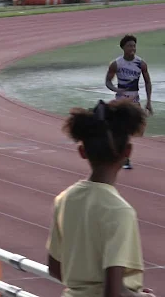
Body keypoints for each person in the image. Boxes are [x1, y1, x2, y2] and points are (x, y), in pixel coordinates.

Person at [46, 99, 155, 297]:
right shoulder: (119, 211)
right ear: (127, 152)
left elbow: (55, 268)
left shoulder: (64, 199)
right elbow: (113, 292)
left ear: (82, 152)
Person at [105, 34, 153, 170]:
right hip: (121, 102)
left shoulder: (141, 63)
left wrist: (148, 101)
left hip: (135, 101)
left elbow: (148, 82)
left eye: (134, 45)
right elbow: (108, 81)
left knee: (137, 130)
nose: (132, 48)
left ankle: (118, 151)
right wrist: (115, 89)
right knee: (124, 130)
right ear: (123, 48)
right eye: (129, 46)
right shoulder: (116, 63)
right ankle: (125, 158)